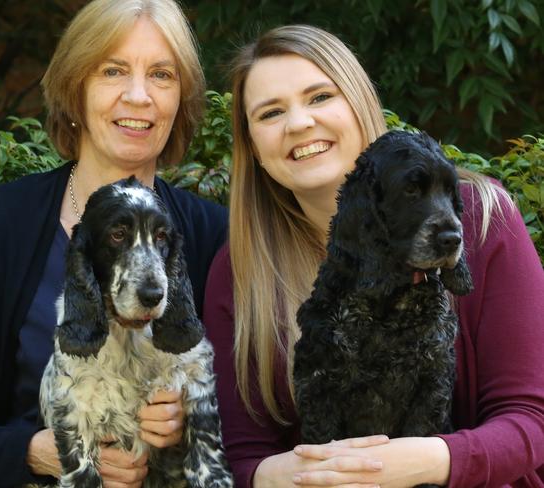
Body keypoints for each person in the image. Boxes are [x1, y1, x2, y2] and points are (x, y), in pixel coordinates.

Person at [204, 24, 544, 488]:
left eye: (320, 97)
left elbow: (531, 421)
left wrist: (422, 462)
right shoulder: (243, 266)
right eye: (271, 113)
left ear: (360, 105)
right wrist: (281, 475)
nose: (299, 123)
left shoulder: (482, 221)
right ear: (253, 146)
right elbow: (238, 455)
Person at [0, 1, 228, 487]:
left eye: (162, 75)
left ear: (180, 100)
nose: (139, 95)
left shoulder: (215, 235)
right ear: (75, 89)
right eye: (113, 70)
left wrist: (186, 420)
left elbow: (245, 421)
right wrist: (38, 451)